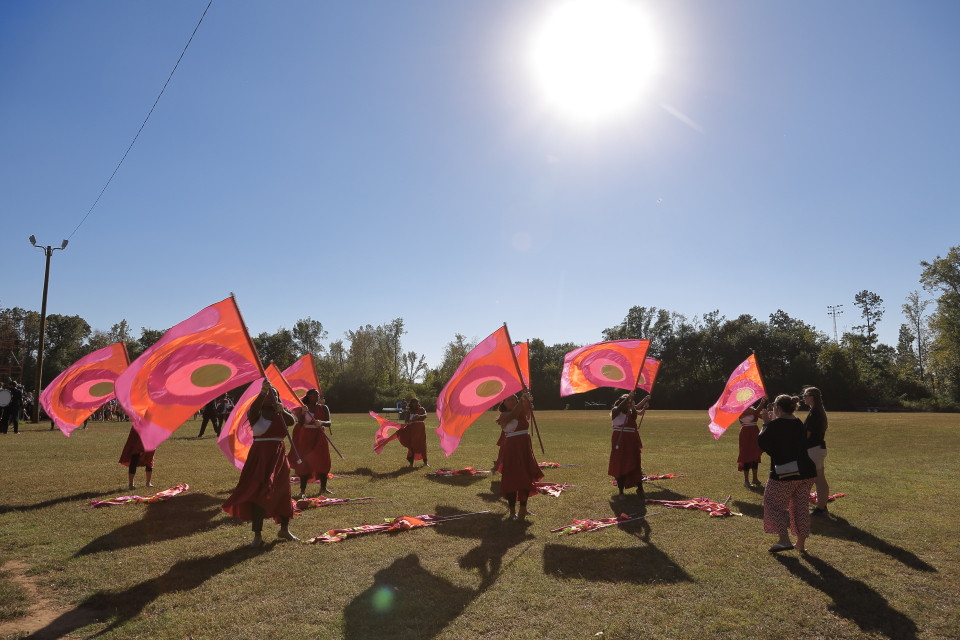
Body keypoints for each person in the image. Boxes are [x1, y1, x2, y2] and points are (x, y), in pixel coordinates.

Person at [222, 380, 297, 547]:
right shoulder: (256, 412)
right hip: (261, 457)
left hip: (279, 456)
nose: (273, 397)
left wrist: (282, 410)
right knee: (260, 493)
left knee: (284, 492)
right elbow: (254, 409)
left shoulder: (281, 412)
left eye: (275, 395)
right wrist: (263, 392)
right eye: (270, 395)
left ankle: (284, 529)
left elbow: (291, 421)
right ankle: (257, 535)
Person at [757, 394, 817, 553]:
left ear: (778, 407)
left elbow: (762, 444)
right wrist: (770, 424)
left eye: (774, 405)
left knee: (773, 503)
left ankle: (784, 540)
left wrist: (765, 423)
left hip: (786, 472)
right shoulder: (798, 423)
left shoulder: (775, 424)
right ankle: (801, 544)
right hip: (807, 471)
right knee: (801, 507)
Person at [495, 391, 543, 520]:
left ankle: (523, 509)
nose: (510, 401)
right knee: (511, 478)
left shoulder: (520, 412)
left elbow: (526, 412)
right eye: (507, 400)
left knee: (525, 477)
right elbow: (513, 415)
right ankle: (512, 511)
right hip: (511, 449)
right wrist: (522, 402)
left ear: (516, 402)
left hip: (524, 447)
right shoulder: (504, 415)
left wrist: (528, 401)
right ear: (504, 403)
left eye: (513, 399)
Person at [290, 388, 332, 498]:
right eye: (315, 394)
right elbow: (300, 423)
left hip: (319, 436)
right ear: (308, 396)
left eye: (318, 394)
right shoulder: (303, 408)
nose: (317, 396)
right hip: (306, 437)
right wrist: (303, 414)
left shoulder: (323, 408)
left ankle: (323, 488)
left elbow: (329, 422)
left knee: (323, 461)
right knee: (304, 462)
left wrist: (321, 422)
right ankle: (302, 491)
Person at [608, 391, 649, 497]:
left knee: (635, 462)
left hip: (631, 440)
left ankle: (640, 488)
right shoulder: (615, 411)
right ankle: (621, 491)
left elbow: (635, 415)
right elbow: (619, 408)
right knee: (620, 463)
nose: (628, 406)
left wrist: (636, 406)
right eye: (627, 404)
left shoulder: (630, 413)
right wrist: (628, 399)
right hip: (620, 440)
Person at [802, 387, 830, 515]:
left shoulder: (815, 412)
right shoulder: (817, 411)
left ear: (812, 397)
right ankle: (822, 506)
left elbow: (807, 434)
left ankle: (821, 508)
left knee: (817, 479)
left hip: (813, 449)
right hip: (818, 448)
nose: (804, 397)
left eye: (805, 395)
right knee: (820, 479)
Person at [738, 398, 767, 488]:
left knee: (755, 455)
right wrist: (762, 402)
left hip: (754, 432)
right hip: (746, 433)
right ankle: (746, 480)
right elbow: (756, 411)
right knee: (746, 455)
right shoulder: (741, 411)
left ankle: (755, 478)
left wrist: (768, 411)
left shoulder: (753, 411)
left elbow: (762, 417)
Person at [397, 397, 428, 467]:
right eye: (415, 402)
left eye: (417, 402)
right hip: (412, 430)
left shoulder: (422, 409)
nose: (416, 404)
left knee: (422, 445)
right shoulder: (409, 411)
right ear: (411, 403)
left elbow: (425, 415)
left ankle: (425, 462)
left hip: (421, 430)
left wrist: (419, 416)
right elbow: (406, 421)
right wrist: (409, 422)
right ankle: (411, 464)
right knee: (413, 445)